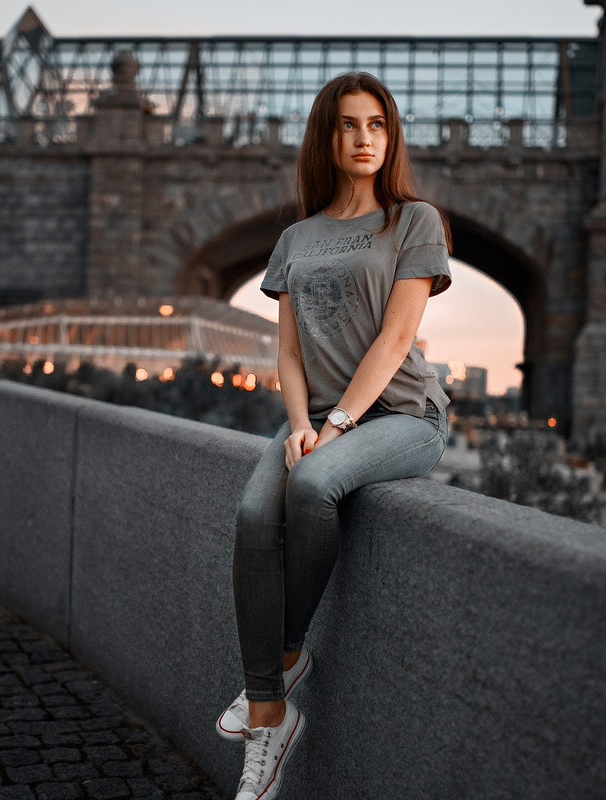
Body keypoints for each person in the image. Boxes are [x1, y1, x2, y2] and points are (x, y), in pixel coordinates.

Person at [221, 71, 452, 800]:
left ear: (392, 137)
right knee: (256, 513)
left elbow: (395, 339)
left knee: (314, 484)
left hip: (402, 417)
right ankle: (271, 714)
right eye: (349, 125)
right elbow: (286, 351)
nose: (364, 139)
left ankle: (280, 661)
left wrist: (337, 426)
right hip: (317, 418)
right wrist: (299, 425)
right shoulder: (296, 238)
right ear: (327, 137)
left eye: (377, 125)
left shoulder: (414, 221)